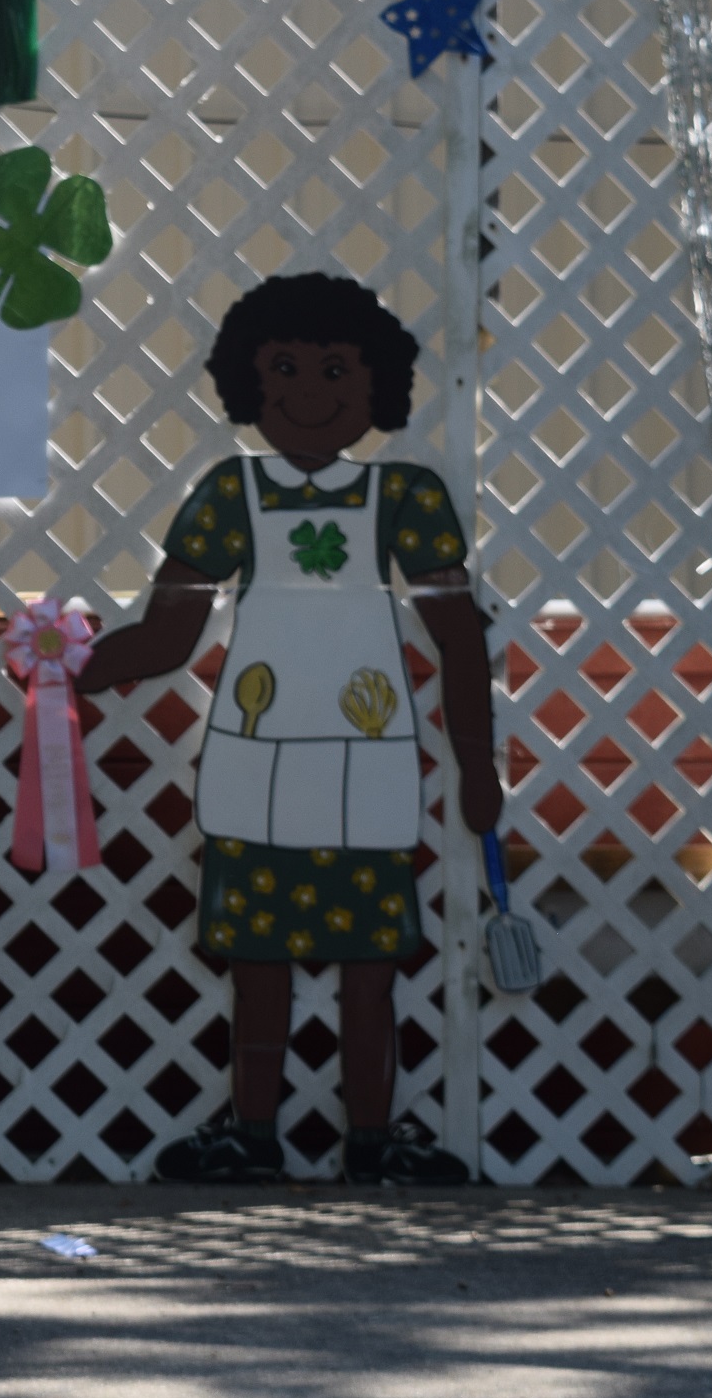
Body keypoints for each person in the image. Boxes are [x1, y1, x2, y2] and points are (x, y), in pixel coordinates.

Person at [76, 271, 497, 1185]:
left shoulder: (407, 500)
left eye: (336, 373)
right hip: (255, 763)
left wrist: (478, 762)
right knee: (256, 959)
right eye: (286, 372)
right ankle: (252, 1132)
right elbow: (169, 631)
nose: (309, 395)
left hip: (368, 759)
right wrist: (76, 675)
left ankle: (373, 1139)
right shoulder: (230, 495)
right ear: (248, 386)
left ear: (373, 386)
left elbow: (460, 636)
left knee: (371, 962)